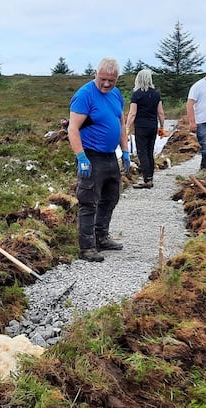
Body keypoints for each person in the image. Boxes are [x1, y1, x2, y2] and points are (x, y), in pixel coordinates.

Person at [67, 57, 130, 263]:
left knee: (111, 197)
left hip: (110, 155)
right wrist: (81, 156)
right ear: (96, 74)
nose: (106, 84)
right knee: (88, 201)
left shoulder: (116, 94)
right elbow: (73, 128)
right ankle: (87, 247)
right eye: (103, 79)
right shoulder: (84, 95)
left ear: (116, 79)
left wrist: (125, 150)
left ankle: (101, 237)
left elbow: (121, 123)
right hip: (91, 154)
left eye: (111, 81)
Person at [125, 69, 165, 189]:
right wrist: (162, 127)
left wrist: (127, 128)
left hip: (141, 127)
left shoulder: (137, 94)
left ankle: (147, 180)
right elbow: (161, 113)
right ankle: (150, 178)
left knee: (142, 153)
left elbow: (132, 113)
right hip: (153, 126)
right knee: (149, 152)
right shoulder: (156, 94)